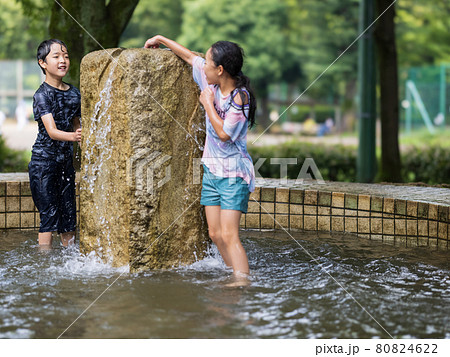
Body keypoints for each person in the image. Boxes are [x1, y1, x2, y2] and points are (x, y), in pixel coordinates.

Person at [144, 36, 256, 278]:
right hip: (212, 172)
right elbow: (187, 56)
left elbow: (224, 134)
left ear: (220, 69)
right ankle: (233, 273)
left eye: (207, 62)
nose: (202, 65)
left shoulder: (240, 97)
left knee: (229, 235)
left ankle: (243, 284)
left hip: (233, 175)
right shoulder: (210, 82)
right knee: (215, 234)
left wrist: (207, 104)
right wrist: (161, 39)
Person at [28, 39, 82, 247]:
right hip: (43, 164)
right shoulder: (41, 95)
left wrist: (80, 133)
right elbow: (52, 131)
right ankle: (46, 265)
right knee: (49, 218)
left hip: (64, 163)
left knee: (69, 217)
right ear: (42, 63)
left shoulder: (74, 93)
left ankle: (68, 262)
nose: (63, 60)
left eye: (66, 56)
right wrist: (76, 137)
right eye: (56, 56)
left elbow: (76, 125)